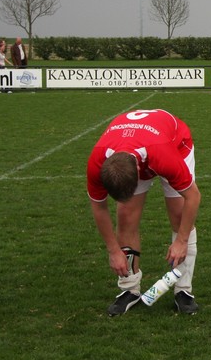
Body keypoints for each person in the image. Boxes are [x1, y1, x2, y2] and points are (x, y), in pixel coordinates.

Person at [87, 108, 203, 316]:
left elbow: (193, 197)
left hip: (174, 143)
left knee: (179, 217)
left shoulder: (164, 156)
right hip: (136, 145)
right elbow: (99, 206)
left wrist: (181, 240)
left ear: (140, 172)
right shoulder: (97, 162)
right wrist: (113, 251)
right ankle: (129, 288)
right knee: (126, 216)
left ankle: (183, 290)